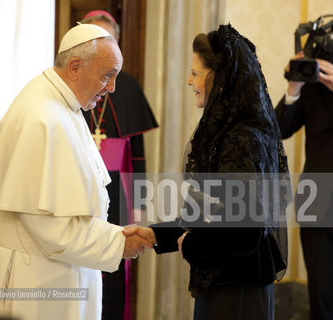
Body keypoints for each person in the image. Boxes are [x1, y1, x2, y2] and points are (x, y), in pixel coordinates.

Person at [0, 24, 154, 320]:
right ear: (75, 67)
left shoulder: (62, 103)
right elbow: (48, 227)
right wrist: (118, 242)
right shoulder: (41, 118)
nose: (112, 88)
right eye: (107, 75)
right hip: (31, 278)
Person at [123, 24, 290, 320]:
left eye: (196, 73)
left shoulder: (243, 138)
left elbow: (246, 232)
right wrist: (155, 234)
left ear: (221, 80)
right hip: (225, 285)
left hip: (238, 293)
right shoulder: (228, 132)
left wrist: (192, 245)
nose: (189, 80)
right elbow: (213, 216)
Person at [80, 10, 158, 320]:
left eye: (107, 40)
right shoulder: (74, 83)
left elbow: (137, 154)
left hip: (116, 188)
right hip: (80, 183)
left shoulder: (128, 86)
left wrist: (137, 204)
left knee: (111, 265)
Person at [275, 47, 333, 319]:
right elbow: (278, 129)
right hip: (316, 197)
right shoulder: (313, 86)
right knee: (320, 294)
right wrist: (294, 88)